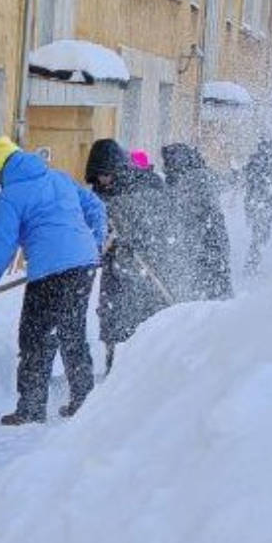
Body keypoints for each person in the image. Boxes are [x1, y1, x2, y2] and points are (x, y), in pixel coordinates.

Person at [0, 137, 106, 424]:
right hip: (83, 265)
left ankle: (32, 407)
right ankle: (84, 402)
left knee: (35, 338)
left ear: (2, 170)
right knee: (73, 333)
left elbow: (3, 246)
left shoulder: (9, 197)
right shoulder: (59, 178)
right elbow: (96, 207)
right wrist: (95, 243)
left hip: (49, 272)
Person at [85, 137, 177, 372]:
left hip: (147, 266)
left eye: (106, 174)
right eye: (98, 176)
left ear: (117, 168)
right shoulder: (98, 195)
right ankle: (113, 369)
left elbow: (161, 223)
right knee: (111, 317)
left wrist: (129, 240)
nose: (102, 180)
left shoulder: (146, 185)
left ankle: (151, 369)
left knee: (147, 316)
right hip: (114, 268)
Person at [160, 142, 235, 301]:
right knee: (216, 286)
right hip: (211, 243)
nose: (165, 168)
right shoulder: (199, 175)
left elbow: (193, 214)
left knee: (210, 291)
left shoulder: (194, 180)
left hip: (205, 244)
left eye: (167, 163)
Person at [242, 137, 272, 272]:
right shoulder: (270, 165)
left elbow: (249, 184)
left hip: (257, 203)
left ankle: (254, 260)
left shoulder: (254, 163)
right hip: (262, 204)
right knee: (260, 234)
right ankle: (253, 261)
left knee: (258, 233)